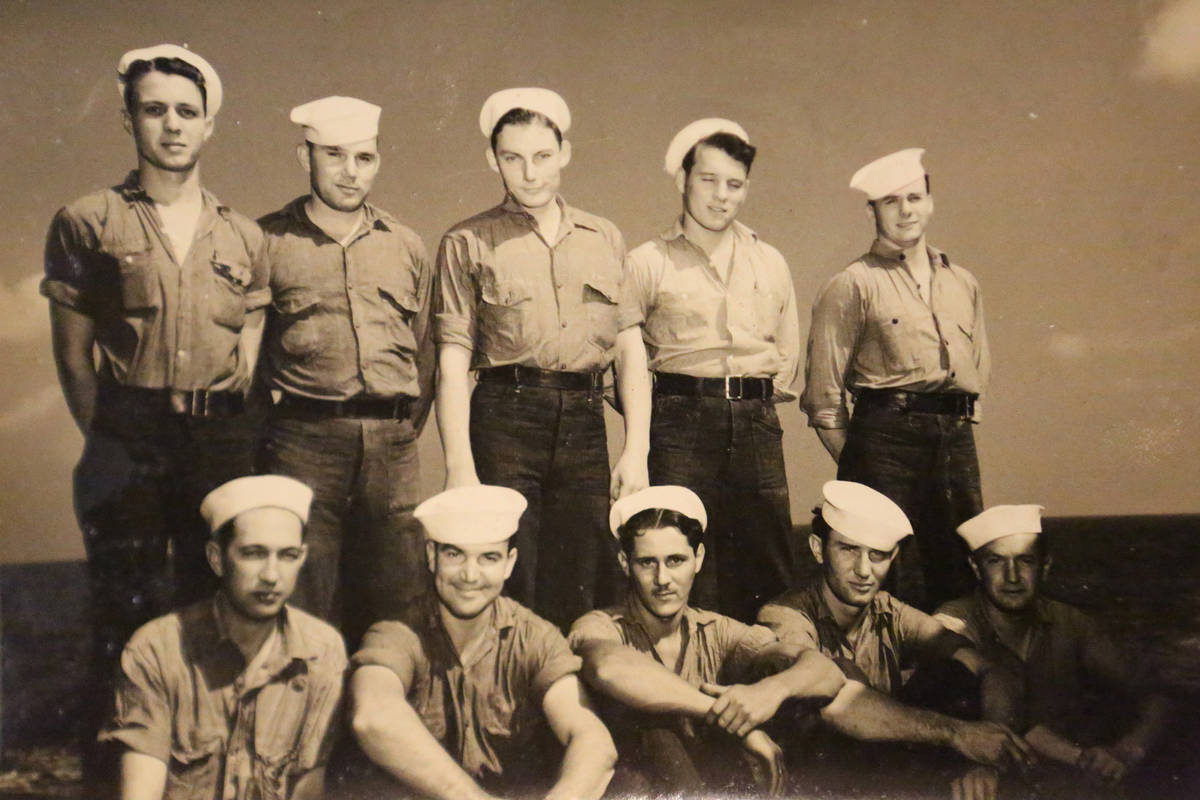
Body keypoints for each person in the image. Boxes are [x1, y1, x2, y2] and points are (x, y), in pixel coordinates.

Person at [41, 43, 267, 778]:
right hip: (128, 432)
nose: (172, 125)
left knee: (219, 614)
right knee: (125, 623)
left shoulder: (244, 236)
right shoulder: (86, 221)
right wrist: (112, 435)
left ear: (209, 126)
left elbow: (252, 351)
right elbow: (74, 356)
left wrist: (222, 431)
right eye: (155, 109)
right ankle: (114, 784)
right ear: (128, 119)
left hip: (218, 438)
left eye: (187, 112)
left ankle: (210, 779)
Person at [434, 87, 645, 629]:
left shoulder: (605, 237)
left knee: (586, 580)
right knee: (510, 576)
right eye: (513, 158)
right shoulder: (467, 241)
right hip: (506, 416)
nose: (529, 173)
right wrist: (459, 465)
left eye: (542, 156)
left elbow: (628, 349)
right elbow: (453, 360)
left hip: (583, 421)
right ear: (493, 160)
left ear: (565, 153)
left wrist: (636, 450)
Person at [256, 95, 434, 643]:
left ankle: (386, 721)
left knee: (399, 600)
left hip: (393, 446)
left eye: (364, 158)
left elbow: (424, 351)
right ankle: (316, 726)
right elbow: (251, 361)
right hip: (304, 443)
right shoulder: (264, 242)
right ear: (303, 156)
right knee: (307, 600)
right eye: (334, 155)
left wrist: (400, 429)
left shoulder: (405, 245)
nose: (350, 172)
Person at [616, 119, 802, 621]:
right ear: (683, 180)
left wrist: (746, 400)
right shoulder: (645, 262)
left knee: (769, 567)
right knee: (686, 567)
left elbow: (787, 358)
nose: (722, 196)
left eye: (734, 184)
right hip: (680, 422)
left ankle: (776, 690)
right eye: (708, 180)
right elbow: (626, 363)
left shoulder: (771, 262)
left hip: (757, 424)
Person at [758, 481, 1033, 800]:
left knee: (955, 675)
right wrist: (958, 734)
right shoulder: (784, 616)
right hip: (815, 785)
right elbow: (839, 703)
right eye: (848, 550)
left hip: (887, 776)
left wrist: (988, 758)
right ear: (818, 549)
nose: (863, 570)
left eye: (878, 555)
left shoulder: (889, 611)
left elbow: (992, 669)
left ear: (894, 557)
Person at [801, 147, 991, 611]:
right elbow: (824, 398)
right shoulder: (852, 284)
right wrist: (865, 465)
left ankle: (957, 677)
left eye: (913, 198)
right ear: (873, 211)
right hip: (883, 436)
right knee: (888, 580)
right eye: (890, 201)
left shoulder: (962, 282)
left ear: (929, 202)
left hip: (955, 439)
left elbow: (978, 367)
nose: (905, 210)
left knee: (965, 567)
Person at [569, 486, 845, 797]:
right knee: (655, 728)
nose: (662, 579)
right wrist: (732, 717)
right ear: (624, 563)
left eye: (675, 560)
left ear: (698, 558)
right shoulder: (599, 626)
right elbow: (608, 668)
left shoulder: (717, 630)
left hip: (697, 782)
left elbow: (828, 672)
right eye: (647, 563)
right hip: (631, 788)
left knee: (801, 705)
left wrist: (767, 694)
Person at [347, 485, 616, 800]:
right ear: (431, 556)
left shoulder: (535, 637)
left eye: (488, 557)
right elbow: (372, 717)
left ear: (509, 563)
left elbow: (593, 741)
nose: (470, 575)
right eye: (454, 554)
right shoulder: (397, 632)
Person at [101, 475, 347, 800]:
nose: (272, 576)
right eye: (253, 553)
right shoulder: (156, 650)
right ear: (217, 558)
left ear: (302, 558)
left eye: (287, 555)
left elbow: (307, 789)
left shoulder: (322, 650)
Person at [935, 504, 1171, 796]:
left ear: (1045, 566)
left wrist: (1128, 750)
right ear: (975, 567)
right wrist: (1081, 758)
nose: (1012, 576)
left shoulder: (1070, 622)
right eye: (996, 561)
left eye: (1025, 561)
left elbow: (1155, 691)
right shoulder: (953, 623)